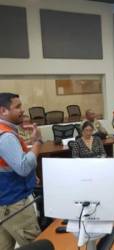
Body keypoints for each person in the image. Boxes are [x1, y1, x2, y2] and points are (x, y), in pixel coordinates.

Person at [0, 93, 42, 250]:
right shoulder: (6, 136)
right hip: (14, 203)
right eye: (17, 107)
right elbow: (23, 167)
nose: (22, 110)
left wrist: (32, 176)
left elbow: (10, 163)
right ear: (3, 110)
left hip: (3, 203)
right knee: (36, 246)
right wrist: (37, 142)